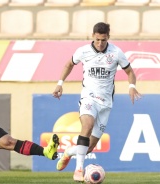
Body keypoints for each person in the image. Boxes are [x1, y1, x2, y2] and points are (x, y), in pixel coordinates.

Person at [52, 22, 141, 182]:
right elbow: (68, 64)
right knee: (87, 126)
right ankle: (78, 170)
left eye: (104, 40)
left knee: (89, 147)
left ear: (108, 38)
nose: (100, 43)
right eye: (98, 39)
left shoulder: (116, 52)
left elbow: (129, 71)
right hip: (89, 98)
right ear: (93, 36)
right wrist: (60, 84)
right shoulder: (83, 51)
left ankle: (68, 153)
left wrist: (132, 86)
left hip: (105, 104)